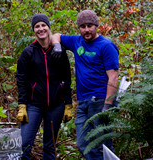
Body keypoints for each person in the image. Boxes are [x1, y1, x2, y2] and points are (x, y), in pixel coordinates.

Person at [51, 10, 119, 160]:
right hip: (83, 102)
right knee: (83, 144)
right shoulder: (77, 41)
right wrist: (56, 46)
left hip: (101, 100)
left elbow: (113, 78)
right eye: (83, 26)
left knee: (103, 144)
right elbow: (55, 35)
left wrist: (107, 105)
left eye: (90, 26)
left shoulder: (106, 46)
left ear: (96, 26)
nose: (86, 30)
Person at [16, 13, 72, 160]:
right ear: (33, 30)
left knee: (49, 145)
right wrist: (22, 105)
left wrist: (68, 104)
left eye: (43, 25)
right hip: (33, 104)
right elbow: (21, 79)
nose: (41, 29)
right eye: (37, 26)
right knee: (24, 144)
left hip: (56, 105)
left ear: (48, 27)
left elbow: (67, 78)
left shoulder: (59, 51)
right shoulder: (28, 52)